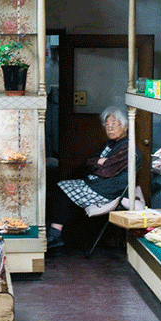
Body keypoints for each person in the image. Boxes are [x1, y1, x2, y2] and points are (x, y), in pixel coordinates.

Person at [47, 105, 140, 251]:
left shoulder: (127, 147)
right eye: (107, 125)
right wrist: (98, 163)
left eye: (114, 125)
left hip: (106, 191)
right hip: (95, 184)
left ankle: (55, 235)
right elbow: (89, 162)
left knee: (62, 190)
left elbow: (106, 171)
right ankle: (57, 235)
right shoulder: (110, 144)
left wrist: (99, 165)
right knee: (61, 188)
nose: (109, 128)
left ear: (126, 126)